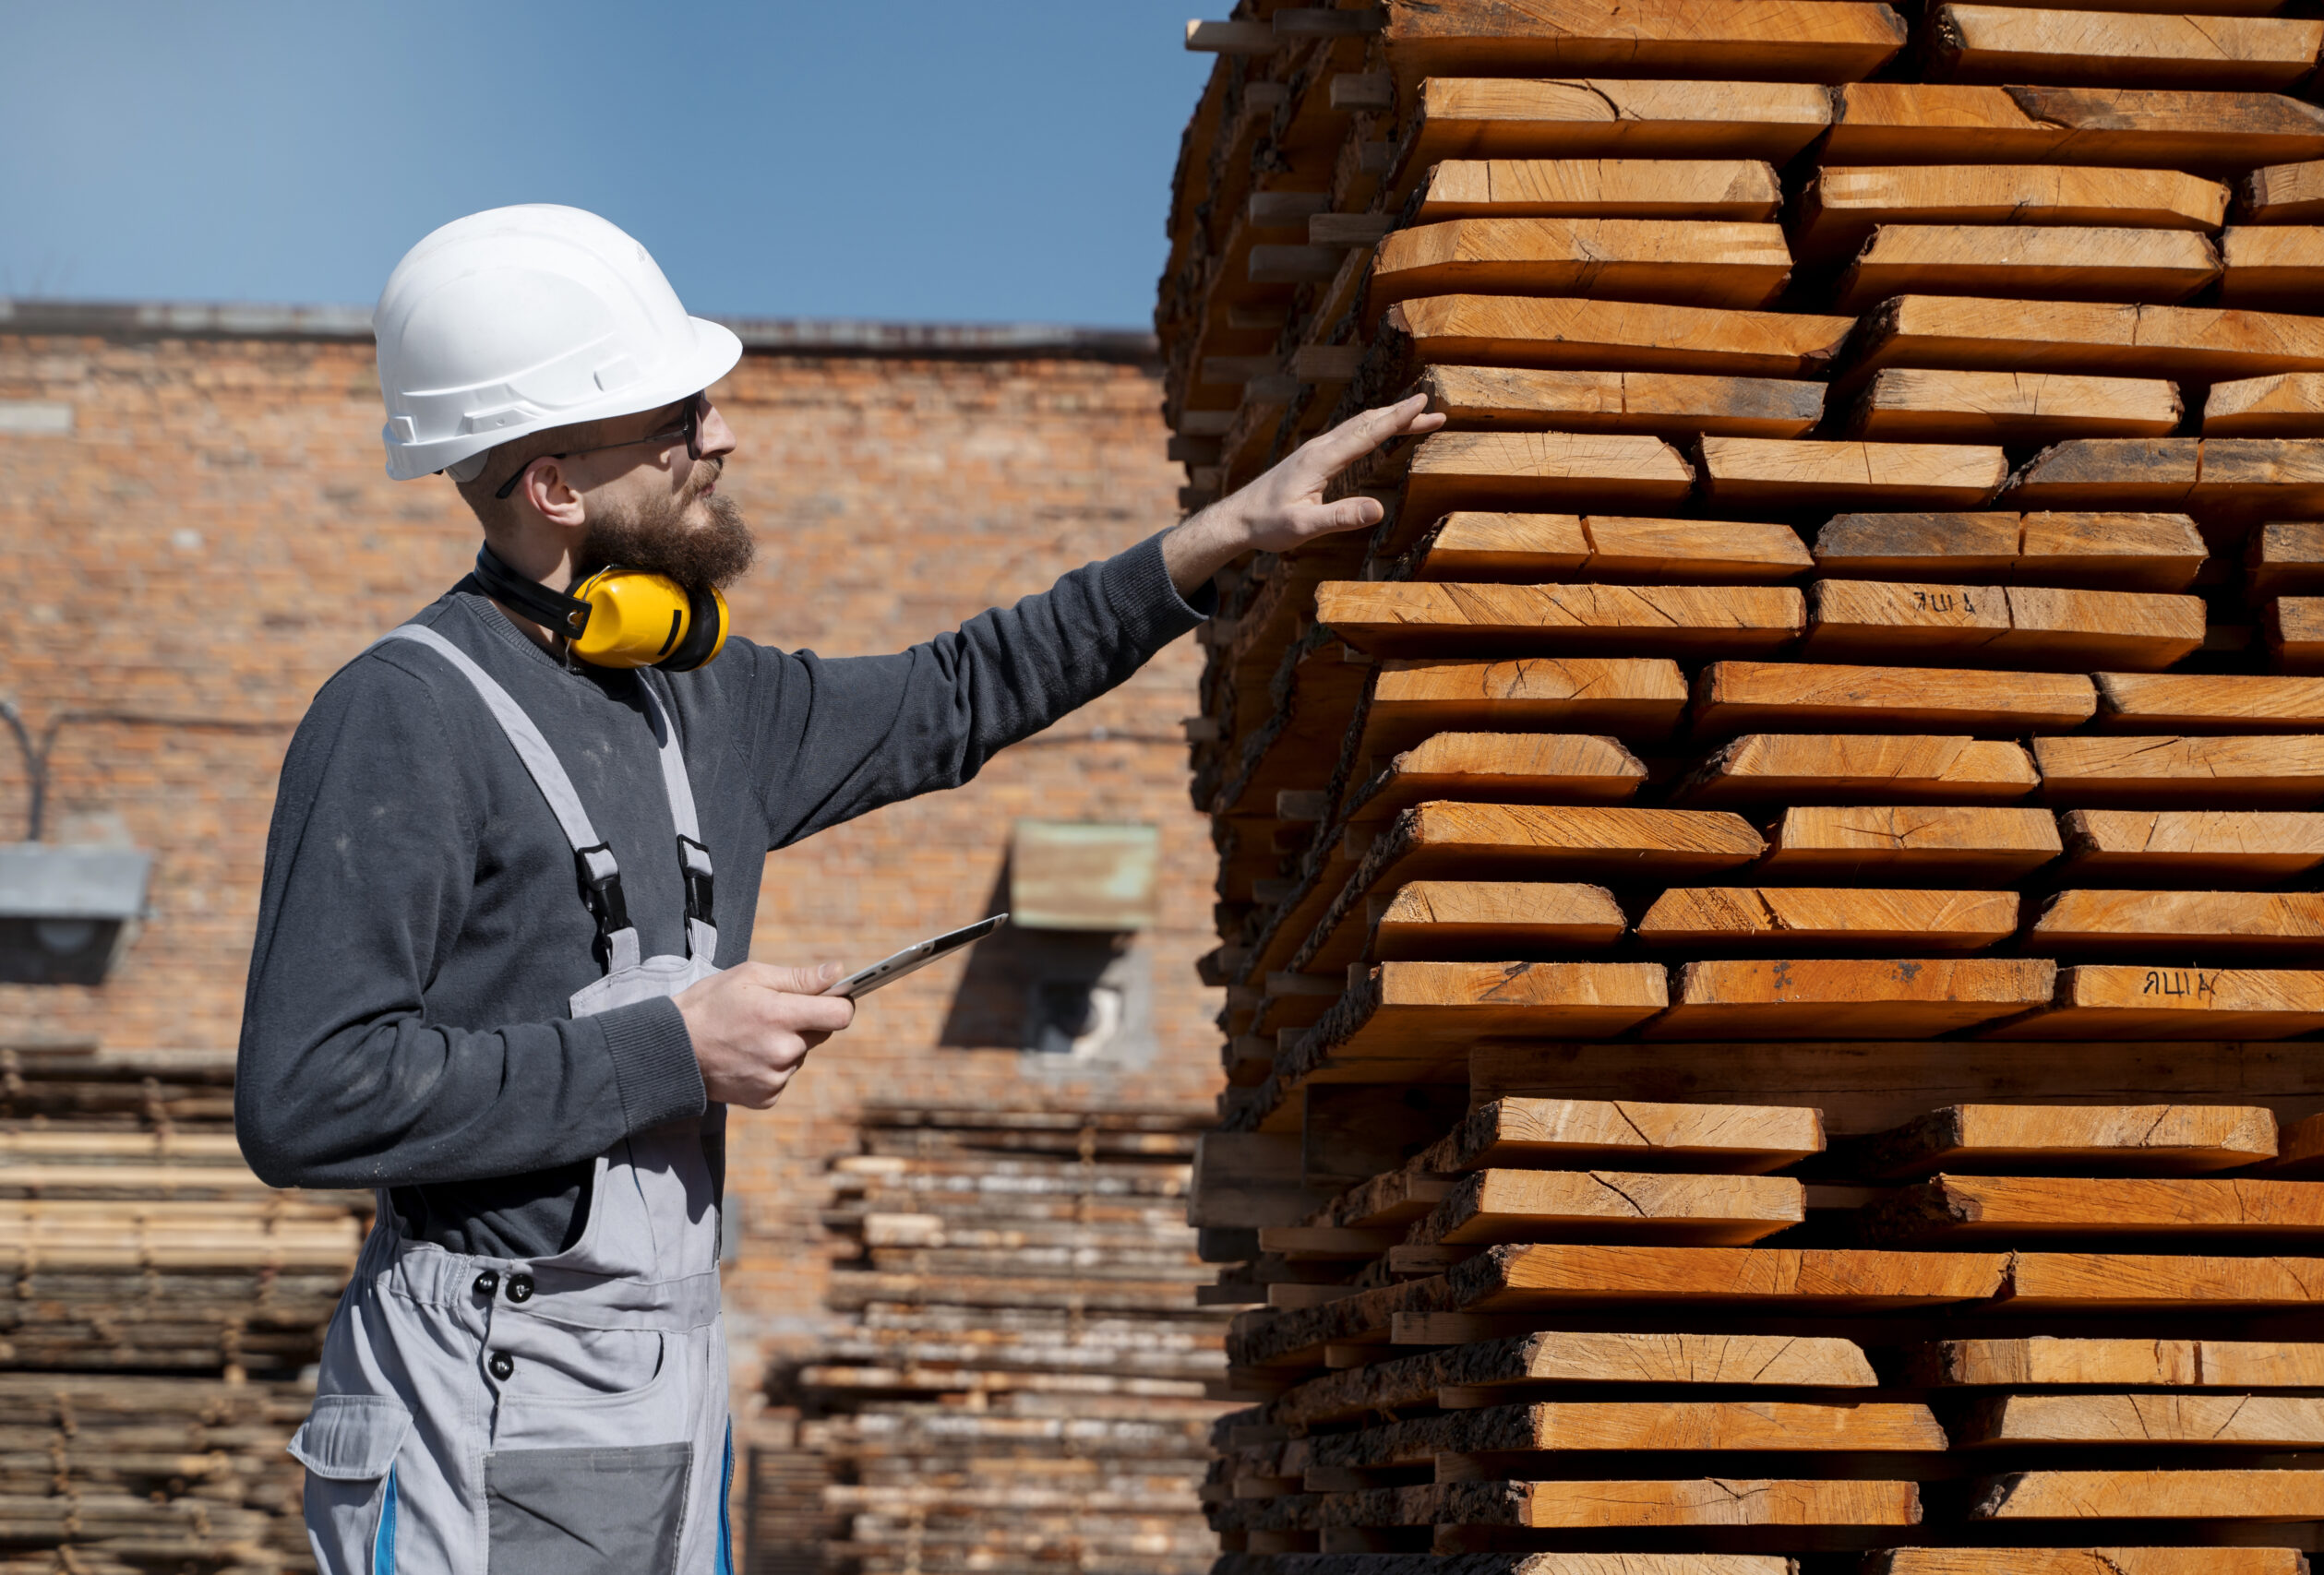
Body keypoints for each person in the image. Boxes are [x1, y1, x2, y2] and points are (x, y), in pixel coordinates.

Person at [234, 204, 1441, 1575]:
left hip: (665, 1374)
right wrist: (674, 1048)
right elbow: (307, 1096)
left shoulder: (702, 697)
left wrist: (1213, 543)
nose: (723, 439)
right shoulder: (402, 717)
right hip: (482, 1388)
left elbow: (959, 690)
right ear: (555, 487)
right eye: (678, 420)